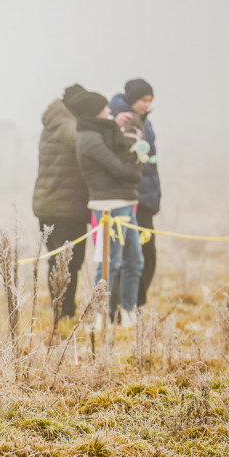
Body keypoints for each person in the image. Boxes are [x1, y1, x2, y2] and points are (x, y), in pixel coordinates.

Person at [71, 90, 143, 327]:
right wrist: (135, 166)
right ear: (95, 112)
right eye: (104, 109)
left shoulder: (100, 132)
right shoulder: (89, 138)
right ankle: (101, 316)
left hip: (124, 202)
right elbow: (119, 167)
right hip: (109, 206)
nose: (109, 111)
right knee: (111, 262)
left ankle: (128, 311)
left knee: (135, 260)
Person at [32, 84, 91, 319]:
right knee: (68, 263)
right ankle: (65, 312)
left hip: (50, 205)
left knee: (58, 261)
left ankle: (61, 311)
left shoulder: (55, 123)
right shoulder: (70, 128)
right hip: (65, 208)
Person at [110, 79, 160, 307]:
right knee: (134, 257)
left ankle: (133, 305)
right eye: (143, 100)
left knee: (144, 256)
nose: (147, 105)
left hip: (145, 198)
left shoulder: (143, 121)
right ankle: (124, 307)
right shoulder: (125, 121)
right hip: (132, 198)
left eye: (150, 100)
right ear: (132, 100)